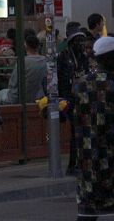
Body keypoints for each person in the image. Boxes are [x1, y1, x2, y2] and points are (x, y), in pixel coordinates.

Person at [72, 36, 114, 220]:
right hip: (110, 155)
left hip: (87, 155)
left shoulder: (80, 84)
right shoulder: (112, 83)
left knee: (87, 207)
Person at [60, 24, 90, 175]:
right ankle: (73, 164)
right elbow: (60, 79)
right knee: (74, 132)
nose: (81, 45)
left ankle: (80, 162)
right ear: (72, 43)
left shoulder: (84, 57)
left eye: (83, 41)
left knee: (82, 132)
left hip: (83, 98)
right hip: (69, 99)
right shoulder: (64, 56)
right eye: (78, 41)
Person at [0, 31, 46, 105]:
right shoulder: (45, 61)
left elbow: (13, 83)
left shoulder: (22, 62)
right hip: (39, 96)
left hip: (19, 97)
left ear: (26, 45)